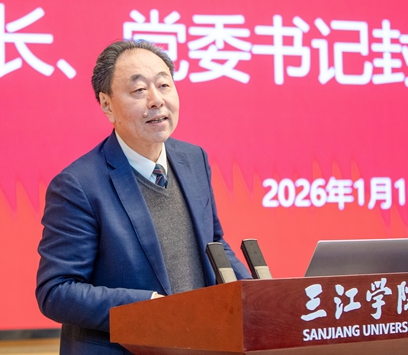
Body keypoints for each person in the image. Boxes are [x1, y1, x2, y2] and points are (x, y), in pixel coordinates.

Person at [36, 40, 250, 355]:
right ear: (107, 104)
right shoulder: (78, 185)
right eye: (138, 90)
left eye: (164, 85)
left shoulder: (194, 159)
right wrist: (148, 307)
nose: (156, 100)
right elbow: (56, 292)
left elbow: (214, 244)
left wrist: (254, 294)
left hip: (201, 345)